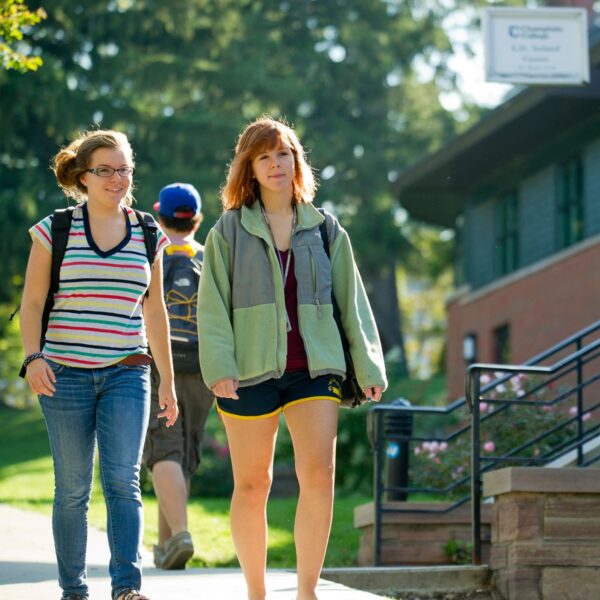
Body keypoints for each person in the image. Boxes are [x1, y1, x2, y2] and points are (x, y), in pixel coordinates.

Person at [197, 115, 387, 600]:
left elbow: (353, 300)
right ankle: (256, 593)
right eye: (265, 157)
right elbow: (213, 305)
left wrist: (368, 368)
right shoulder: (228, 230)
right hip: (247, 372)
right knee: (252, 484)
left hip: (315, 369)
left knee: (319, 477)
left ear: (296, 160)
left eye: (284, 154)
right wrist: (219, 368)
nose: (276, 164)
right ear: (250, 168)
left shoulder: (325, 227)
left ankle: (307, 592)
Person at [19, 129, 177, 600]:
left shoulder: (149, 231)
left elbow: (156, 310)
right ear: (83, 177)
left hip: (127, 370)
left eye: (124, 169)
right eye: (104, 170)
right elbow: (32, 301)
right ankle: (74, 590)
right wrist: (32, 358)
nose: (116, 179)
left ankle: (127, 588)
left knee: (123, 481)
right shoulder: (56, 228)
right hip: (63, 373)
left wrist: (166, 379)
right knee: (71, 489)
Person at [142, 183, 215, 570]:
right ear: (196, 217)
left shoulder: (153, 255)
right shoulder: (209, 258)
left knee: (162, 449)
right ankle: (165, 545)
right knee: (182, 454)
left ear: (161, 215)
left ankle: (181, 534)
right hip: (203, 369)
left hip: (160, 364)